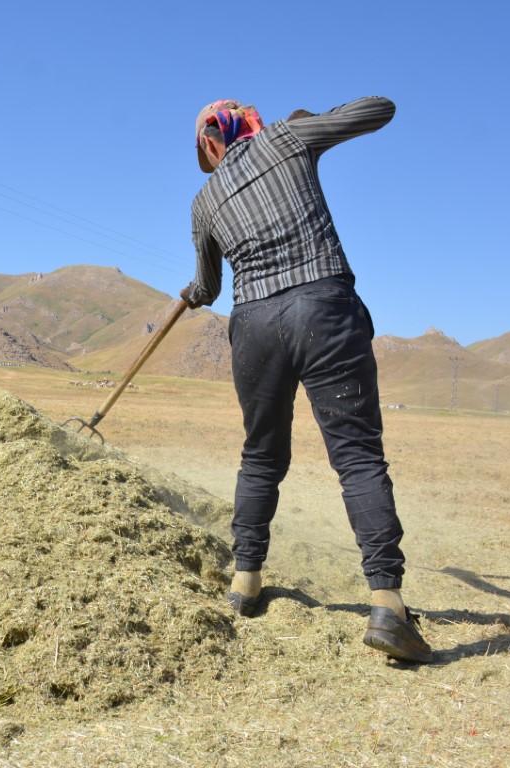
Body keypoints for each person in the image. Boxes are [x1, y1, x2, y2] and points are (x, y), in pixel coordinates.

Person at [180, 96, 432, 663]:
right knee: (358, 456)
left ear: (210, 142)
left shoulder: (204, 201)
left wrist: (192, 294)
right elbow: (381, 109)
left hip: (254, 326)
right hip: (320, 306)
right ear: (249, 123)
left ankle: (245, 583)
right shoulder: (288, 141)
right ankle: (387, 605)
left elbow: (208, 287)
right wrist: (308, 121)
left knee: (261, 455)